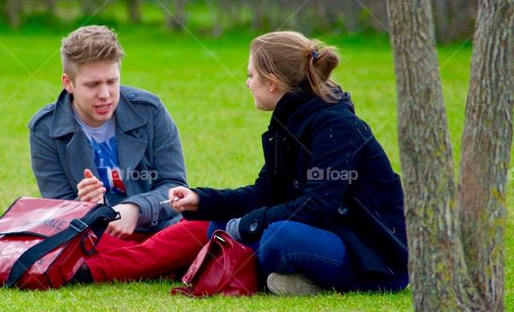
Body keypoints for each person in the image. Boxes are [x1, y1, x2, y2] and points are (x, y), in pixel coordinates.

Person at [168, 31, 409, 295]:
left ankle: (327, 281)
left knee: (278, 238)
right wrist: (202, 200)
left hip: (369, 253)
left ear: (272, 83)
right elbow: (265, 192)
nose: (247, 83)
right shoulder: (288, 121)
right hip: (326, 231)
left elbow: (318, 205)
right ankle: (297, 280)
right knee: (219, 226)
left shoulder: (336, 126)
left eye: (250, 75)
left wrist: (251, 223)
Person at [28, 25, 208, 283]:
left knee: (206, 226)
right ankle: (158, 265)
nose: (105, 94)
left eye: (112, 82)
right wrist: (84, 206)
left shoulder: (150, 109)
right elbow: (60, 210)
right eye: (92, 85)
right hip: (99, 237)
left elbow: (174, 185)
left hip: (159, 229)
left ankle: (90, 272)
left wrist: (136, 208)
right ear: (68, 83)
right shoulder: (45, 127)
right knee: (62, 242)